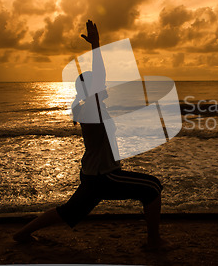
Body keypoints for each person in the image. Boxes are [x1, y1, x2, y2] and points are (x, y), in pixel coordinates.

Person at [13, 20, 168, 250]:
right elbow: (99, 75)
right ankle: (154, 242)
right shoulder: (91, 106)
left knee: (68, 212)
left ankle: (22, 234)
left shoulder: (90, 107)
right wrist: (96, 45)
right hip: (104, 176)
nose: (105, 85)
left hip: (93, 175)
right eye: (99, 84)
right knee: (153, 189)